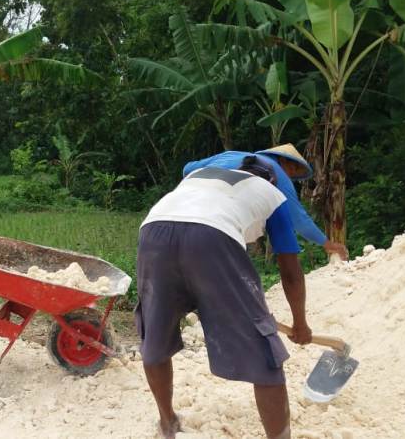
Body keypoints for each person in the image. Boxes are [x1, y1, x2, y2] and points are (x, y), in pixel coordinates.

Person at [135, 156, 313, 439]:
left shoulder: (199, 176)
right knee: (263, 347)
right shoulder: (272, 194)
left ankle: (167, 423)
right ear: (271, 179)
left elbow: (186, 225)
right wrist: (300, 324)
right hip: (212, 237)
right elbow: (290, 272)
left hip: (152, 233)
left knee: (155, 329)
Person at [183, 144, 348, 260]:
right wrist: (327, 244)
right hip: (220, 221)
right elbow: (298, 220)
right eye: (293, 171)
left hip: (184, 207)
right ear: (284, 161)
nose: (291, 177)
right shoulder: (278, 174)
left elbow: (187, 168)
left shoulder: (230, 155)